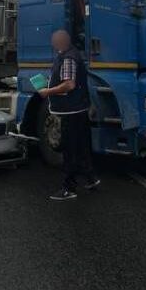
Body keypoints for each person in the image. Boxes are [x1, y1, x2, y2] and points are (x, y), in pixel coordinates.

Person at [37, 29, 100, 201]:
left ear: (62, 41)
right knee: (81, 147)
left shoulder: (68, 58)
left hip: (70, 111)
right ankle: (91, 178)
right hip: (77, 109)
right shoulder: (67, 55)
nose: (53, 43)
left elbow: (69, 85)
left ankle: (68, 188)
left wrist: (47, 91)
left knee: (69, 150)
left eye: (55, 40)